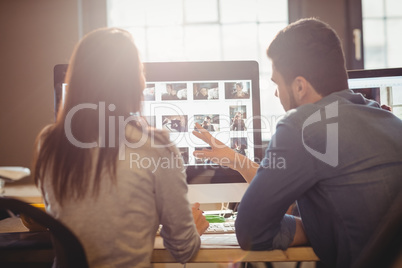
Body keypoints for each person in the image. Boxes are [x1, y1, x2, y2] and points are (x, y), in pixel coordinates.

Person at [193, 18, 402, 268]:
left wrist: (306, 228)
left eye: (277, 84)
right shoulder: (389, 120)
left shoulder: (304, 124)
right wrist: (235, 159)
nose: (276, 93)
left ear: (300, 86)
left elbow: (250, 231)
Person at [33, 28, 209, 267]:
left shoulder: (49, 142)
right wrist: (194, 228)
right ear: (135, 83)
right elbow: (183, 250)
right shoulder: (155, 146)